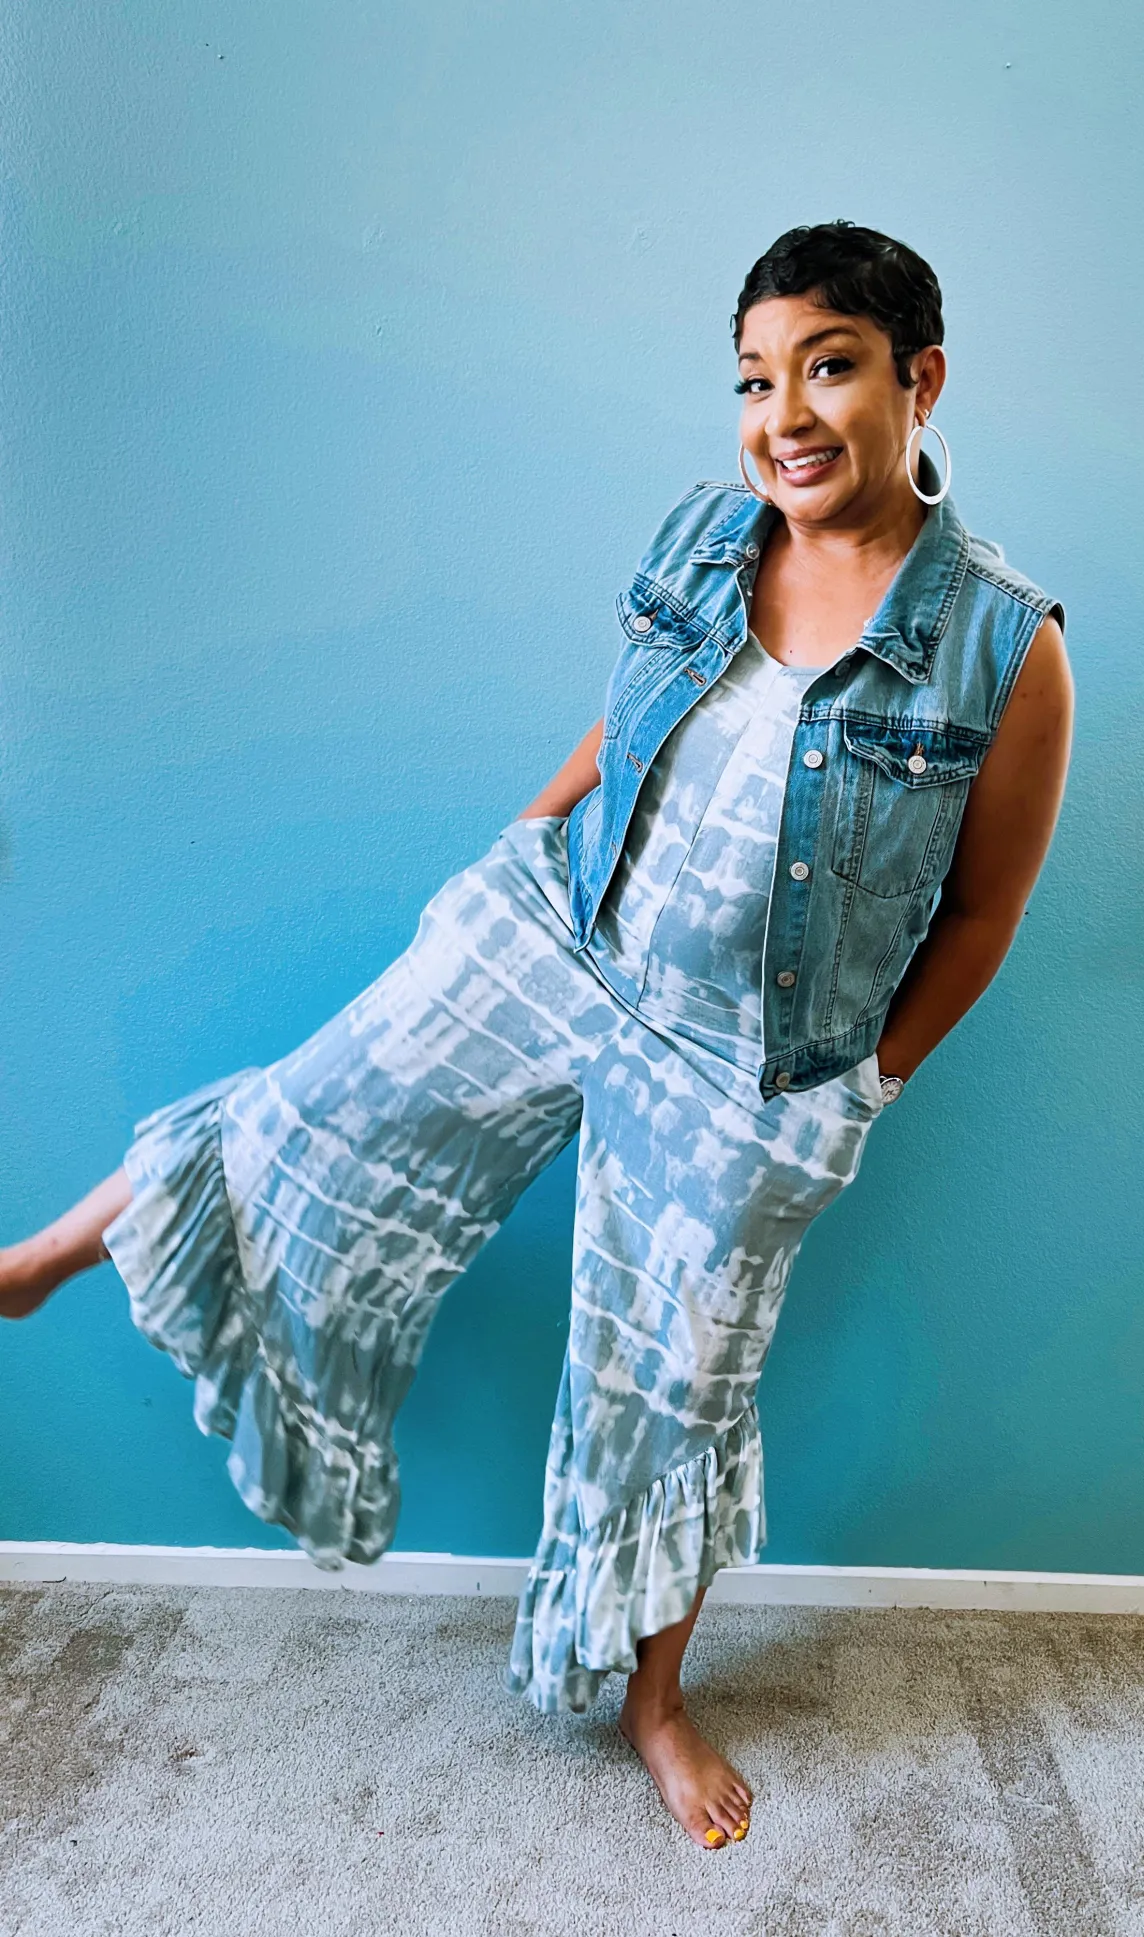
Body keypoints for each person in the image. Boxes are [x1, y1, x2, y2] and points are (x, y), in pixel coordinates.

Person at [0, 221, 1072, 1851]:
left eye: (829, 367)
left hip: (746, 1070)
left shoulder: (1007, 646)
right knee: (326, 1103)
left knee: (675, 1390)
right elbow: (626, 710)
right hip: (565, 934)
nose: (781, 412)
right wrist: (518, 838)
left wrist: (862, 1089)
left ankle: (652, 1704)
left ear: (920, 382)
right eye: (754, 376)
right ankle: (54, 1252)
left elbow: (982, 915)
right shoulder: (711, 536)